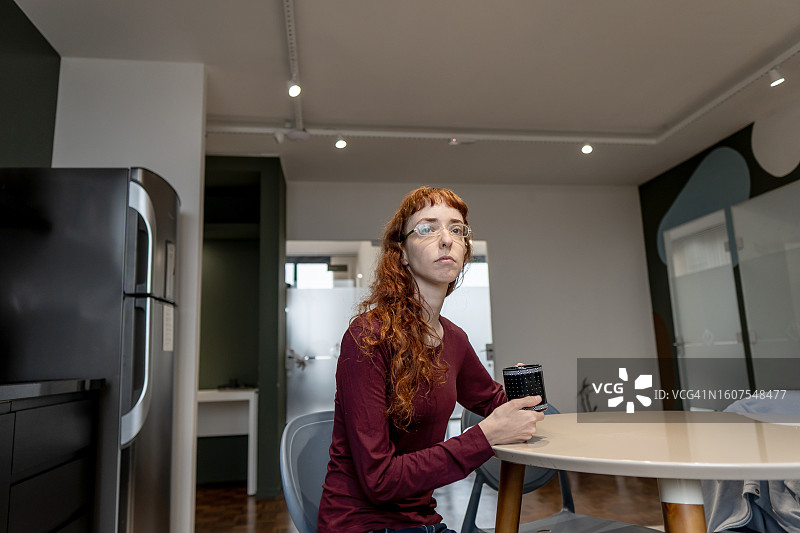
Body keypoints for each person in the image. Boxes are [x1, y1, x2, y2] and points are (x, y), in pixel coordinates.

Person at [317, 186, 545, 533]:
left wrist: (526, 392)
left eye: (456, 229)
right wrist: (484, 437)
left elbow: (494, 401)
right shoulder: (368, 337)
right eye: (427, 227)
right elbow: (379, 480)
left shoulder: (453, 338)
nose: (446, 239)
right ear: (402, 254)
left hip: (422, 521)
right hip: (361, 525)